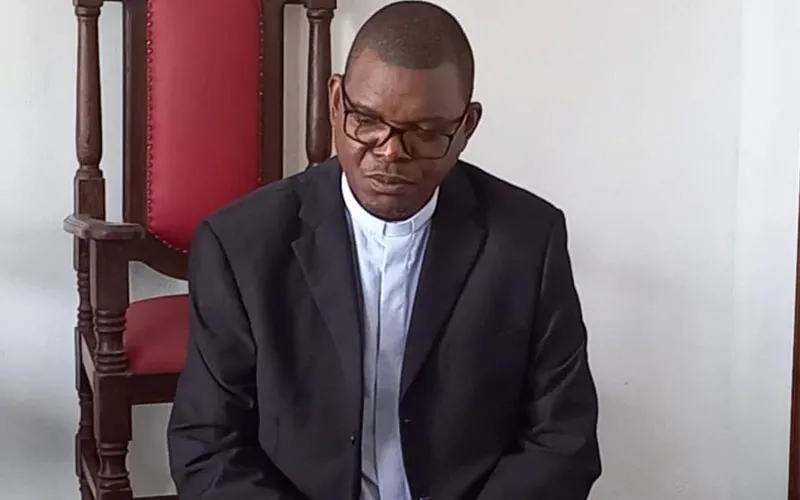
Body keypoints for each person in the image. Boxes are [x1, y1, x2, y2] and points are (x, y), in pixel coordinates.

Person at [167, 1, 601, 499]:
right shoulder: (241, 246)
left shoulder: (529, 240)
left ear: (466, 127)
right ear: (335, 101)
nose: (391, 152)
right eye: (367, 121)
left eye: (426, 132)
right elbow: (208, 446)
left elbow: (563, 439)